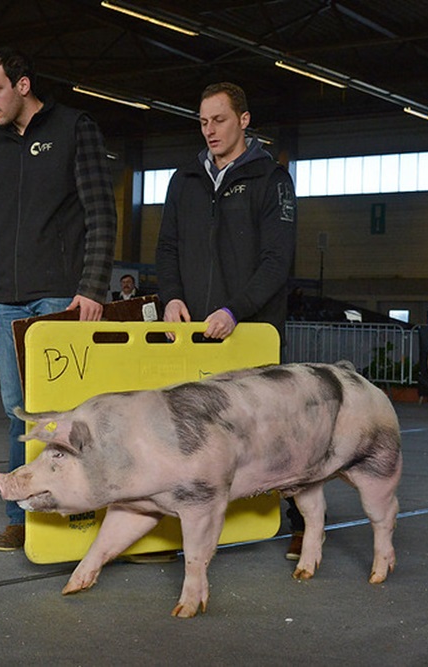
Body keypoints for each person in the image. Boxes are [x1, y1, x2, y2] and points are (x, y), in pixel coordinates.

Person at [0, 48, 117, 552]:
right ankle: (21, 518)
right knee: (19, 413)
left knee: (69, 413)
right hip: (9, 304)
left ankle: (85, 513)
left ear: (23, 85)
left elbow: (101, 212)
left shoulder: (76, 128)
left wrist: (92, 287)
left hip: (61, 299)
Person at [154, 82, 300, 557]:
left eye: (218, 119)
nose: (209, 129)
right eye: (202, 121)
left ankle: (300, 519)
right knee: (197, 431)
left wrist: (236, 309)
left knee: (273, 431)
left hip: (251, 331)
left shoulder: (271, 180)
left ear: (244, 120)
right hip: (195, 330)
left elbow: (278, 261)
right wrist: (172, 298)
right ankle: (193, 524)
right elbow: (168, 248)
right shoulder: (184, 180)